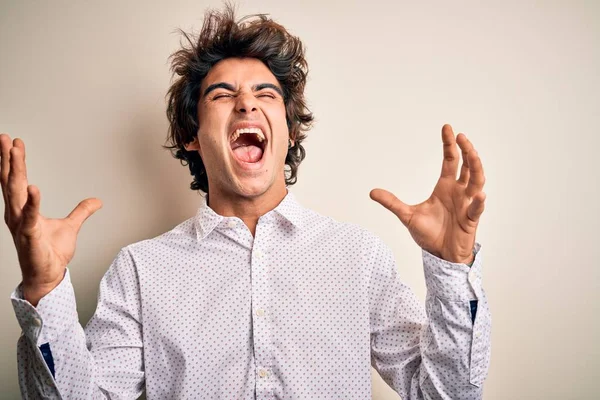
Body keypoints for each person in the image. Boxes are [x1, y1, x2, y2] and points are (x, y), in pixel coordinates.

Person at [2, 5, 491, 399]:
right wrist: (45, 290)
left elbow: (445, 395)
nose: (246, 104)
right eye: (222, 94)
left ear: (290, 129)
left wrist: (452, 268)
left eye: (266, 93)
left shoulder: (358, 258)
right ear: (192, 136)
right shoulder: (139, 271)